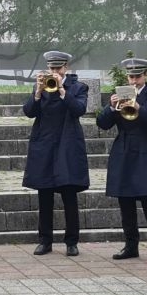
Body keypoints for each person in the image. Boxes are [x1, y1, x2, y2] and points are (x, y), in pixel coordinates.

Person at [96, 58, 147, 264]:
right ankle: (131, 246)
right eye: (131, 77)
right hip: (124, 149)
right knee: (125, 202)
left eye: (137, 76)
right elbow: (102, 124)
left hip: (146, 149)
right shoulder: (120, 93)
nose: (134, 81)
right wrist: (111, 108)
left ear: (145, 75)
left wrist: (139, 107)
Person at [23, 50, 89, 256]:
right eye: (52, 68)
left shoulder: (78, 87)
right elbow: (29, 112)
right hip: (45, 144)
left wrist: (61, 90)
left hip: (67, 144)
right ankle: (45, 240)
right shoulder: (40, 86)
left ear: (66, 68)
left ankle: (71, 241)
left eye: (58, 68)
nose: (54, 72)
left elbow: (79, 110)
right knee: (45, 194)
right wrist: (37, 93)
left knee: (69, 194)